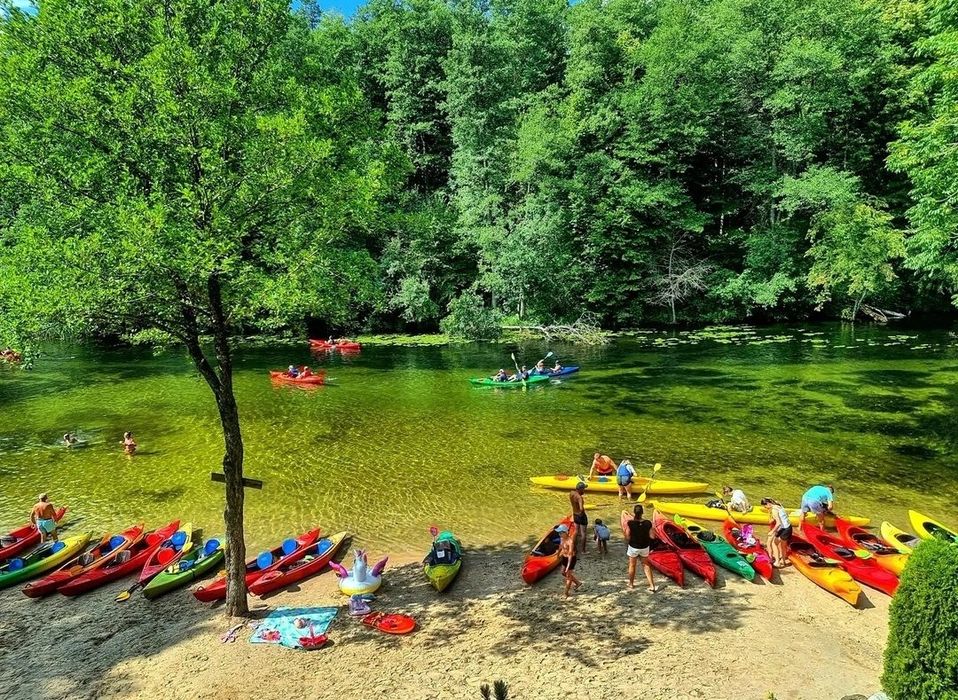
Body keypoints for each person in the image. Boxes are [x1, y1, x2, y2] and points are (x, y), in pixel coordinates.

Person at [625, 504, 657, 592]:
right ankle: (652, 585)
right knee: (646, 565)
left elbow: (627, 537)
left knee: (632, 565)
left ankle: (631, 584)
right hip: (644, 547)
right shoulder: (648, 523)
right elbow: (652, 537)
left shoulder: (630, 523)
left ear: (634, 512)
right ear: (642, 512)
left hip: (633, 547)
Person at [761, 497, 792, 568]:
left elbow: (778, 523)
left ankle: (777, 562)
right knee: (783, 545)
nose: (766, 508)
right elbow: (785, 515)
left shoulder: (774, 510)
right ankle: (783, 561)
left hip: (784, 529)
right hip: (788, 527)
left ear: (768, 504)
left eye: (765, 506)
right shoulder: (779, 505)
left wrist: (772, 531)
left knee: (774, 543)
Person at [557, 524, 581, 597]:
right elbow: (561, 546)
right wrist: (558, 554)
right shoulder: (562, 538)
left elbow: (570, 554)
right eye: (559, 533)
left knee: (568, 576)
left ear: (565, 532)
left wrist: (568, 566)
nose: (559, 534)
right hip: (564, 557)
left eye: (561, 533)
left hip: (570, 559)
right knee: (563, 572)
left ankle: (566, 593)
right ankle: (577, 583)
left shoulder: (570, 542)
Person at [569, 482, 588, 554]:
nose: (584, 491)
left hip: (575, 514)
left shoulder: (571, 493)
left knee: (576, 531)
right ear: (580, 489)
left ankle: (573, 548)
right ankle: (583, 550)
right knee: (583, 533)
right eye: (583, 489)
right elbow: (581, 509)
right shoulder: (579, 498)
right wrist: (581, 513)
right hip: (581, 516)